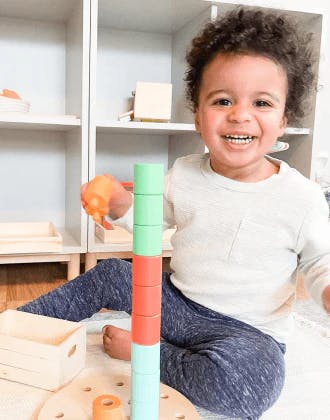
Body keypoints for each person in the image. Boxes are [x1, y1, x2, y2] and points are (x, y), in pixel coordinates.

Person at [18, 7, 330, 419]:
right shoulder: (184, 173)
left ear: (284, 119)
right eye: (222, 100)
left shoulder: (302, 197)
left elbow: (320, 261)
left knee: (250, 386)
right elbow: (147, 217)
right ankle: (17, 328)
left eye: (262, 102)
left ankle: (147, 354)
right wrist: (118, 203)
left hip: (246, 335)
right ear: (198, 117)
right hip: (176, 305)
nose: (240, 113)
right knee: (112, 274)